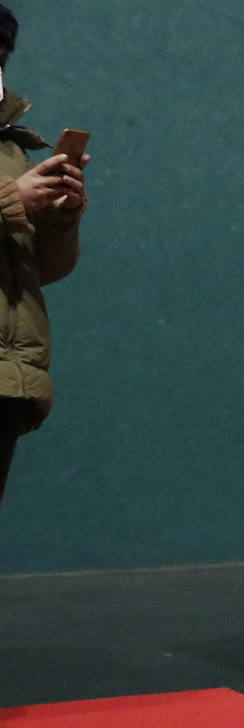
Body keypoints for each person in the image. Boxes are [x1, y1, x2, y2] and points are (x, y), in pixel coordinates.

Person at [0, 4, 89, 504]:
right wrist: (13, 198)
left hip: (10, 376)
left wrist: (57, 216)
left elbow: (44, 270)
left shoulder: (12, 150)